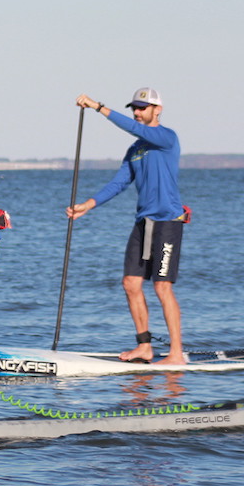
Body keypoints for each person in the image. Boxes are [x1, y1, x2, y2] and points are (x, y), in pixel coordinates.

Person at [66, 87, 188, 365]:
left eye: (143, 107)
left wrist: (99, 107)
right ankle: (144, 347)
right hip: (143, 223)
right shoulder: (135, 150)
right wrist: (89, 204)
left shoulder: (166, 138)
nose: (137, 112)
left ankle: (176, 353)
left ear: (157, 110)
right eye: (135, 107)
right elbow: (120, 182)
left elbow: (134, 128)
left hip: (168, 221)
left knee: (161, 287)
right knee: (131, 283)